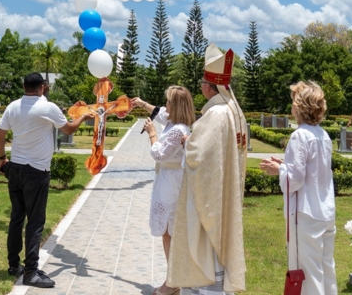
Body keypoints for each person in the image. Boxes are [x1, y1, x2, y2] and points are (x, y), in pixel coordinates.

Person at [0, 72, 94, 289]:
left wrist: (2, 159)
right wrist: (82, 118)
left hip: (16, 169)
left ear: (24, 86)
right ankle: (31, 271)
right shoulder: (48, 107)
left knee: (17, 218)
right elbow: (68, 128)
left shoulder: (13, 106)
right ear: (42, 86)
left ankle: (14, 265)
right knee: (35, 223)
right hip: (37, 171)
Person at [167, 44, 248, 295]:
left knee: (207, 241)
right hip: (226, 190)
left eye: (202, 81)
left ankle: (208, 286)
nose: (201, 85)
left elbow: (199, 155)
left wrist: (187, 142)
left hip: (211, 193)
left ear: (208, 86)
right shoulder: (234, 110)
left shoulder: (215, 114)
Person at [260, 81, 337, 295]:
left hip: (306, 212)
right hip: (325, 209)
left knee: (308, 271)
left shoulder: (299, 135)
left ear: (300, 106)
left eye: (293, 102)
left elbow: (295, 179)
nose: (291, 107)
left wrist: (279, 170)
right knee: (326, 267)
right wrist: (284, 165)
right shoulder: (323, 135)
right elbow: (311, 170)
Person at [137, 87, 196, 295]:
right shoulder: (172, 123)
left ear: (176, 106)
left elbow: (159, 154)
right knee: (167, 233)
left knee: (169, 233)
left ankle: (173, 281)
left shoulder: (179, 130)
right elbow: (159, 112)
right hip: (166, 181)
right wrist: (141, 102)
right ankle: (174, 277)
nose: (166, 105)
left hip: (172, 184)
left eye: (168, 102)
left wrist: (152, 135)